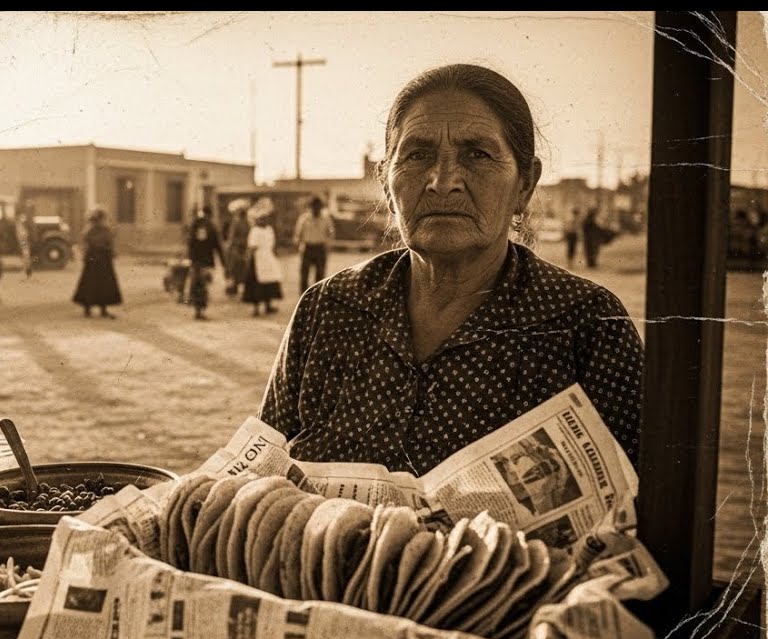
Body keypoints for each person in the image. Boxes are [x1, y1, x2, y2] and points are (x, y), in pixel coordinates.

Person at [259, 63, 644, 475]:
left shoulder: (587, 325)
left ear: (525, 185)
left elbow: (640, 505)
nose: (443, 181)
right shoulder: (328, 309)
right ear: (387, 184)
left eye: (477, 155)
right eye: (418, 155)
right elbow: (260, 480)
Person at [72, 207, 123, 318]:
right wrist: (113, 253)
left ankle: (87, 309)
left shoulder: (89, 230)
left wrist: (84, 256)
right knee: (104, 283)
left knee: (89, 282)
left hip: (92, 257)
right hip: (104, 257)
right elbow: (109, 243)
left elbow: (85, 243)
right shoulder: (106, 230)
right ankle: (103, 310)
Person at [186, 205, 225, 320]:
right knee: (203, 286)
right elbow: (218, 245)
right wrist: (223, 262)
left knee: (196, 284)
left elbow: (190, 242)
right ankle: (201, 310)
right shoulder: (212, 226)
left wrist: (190, 257)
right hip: (207, 262)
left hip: (196, 261)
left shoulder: (195, 224)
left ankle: (197, 310)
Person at [242, 205, 283, 316]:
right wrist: (248, 259)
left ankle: (268, 305)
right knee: (256, 284)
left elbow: (272, 244)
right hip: (257, 259)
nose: (263, 221)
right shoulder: (255, 230)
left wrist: (275, 256)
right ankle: (256, 308)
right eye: (260, 219)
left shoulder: (269, 229)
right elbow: (252, 247)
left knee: (270, 282)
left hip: (268, 257)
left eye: (265, 218)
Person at [294, 195, 335, 295]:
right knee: (304, 273)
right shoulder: (304, 218)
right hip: (308, 248)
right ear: (310, 207)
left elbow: (331, 233)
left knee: (320, 273)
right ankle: (304, 295)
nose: (316, 208)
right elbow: (298, 234)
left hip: (320, 248)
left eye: (318, 206)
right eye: (314, 206)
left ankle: (318, 294)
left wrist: (327, 244)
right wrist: (299, 246)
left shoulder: (326, 219)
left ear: (321, 207)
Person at [223, 201, 251, 298]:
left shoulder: (241, 222)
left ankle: (236, 288)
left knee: (238, 269)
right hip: (239, 248)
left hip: (240, 248)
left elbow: (232, 237)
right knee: (238, 269)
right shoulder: (243, 222)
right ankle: (235, 287)